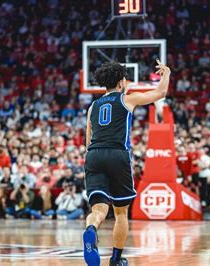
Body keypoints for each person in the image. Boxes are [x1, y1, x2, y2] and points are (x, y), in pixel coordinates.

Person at [82, 60, 170, 266]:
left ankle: (91, 229)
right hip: (117, 154)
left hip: (94, 155)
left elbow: (88, 140)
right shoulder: (127, 99)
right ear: (121, 82)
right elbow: (160, 93)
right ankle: (115, 260)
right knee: (121, 212)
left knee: (98, 209)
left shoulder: (92, 106)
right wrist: (166, 73)